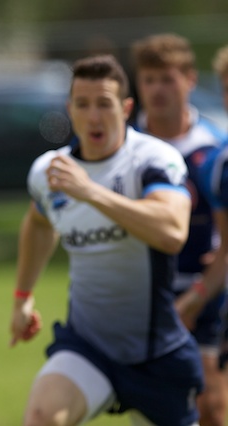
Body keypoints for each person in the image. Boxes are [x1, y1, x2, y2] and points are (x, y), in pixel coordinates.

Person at [9, 54, 203, 425]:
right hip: (88, 347)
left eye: (104, 104)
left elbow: (172, 232)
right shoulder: (50, 171)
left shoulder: (153, 159)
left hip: (156, 353)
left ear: (126, 108)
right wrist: (22, 296)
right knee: (42, 417)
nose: (93, 116)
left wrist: (91, 192)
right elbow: (38, 223)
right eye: (83, 104)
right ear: (70, 108)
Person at [131, 33, 228, 426]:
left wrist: (201, 292)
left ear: (190, 79)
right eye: (149, 79)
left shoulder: (215, 149)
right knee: (152, 406)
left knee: (211, 403)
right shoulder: (123, 143)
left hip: (205, 287)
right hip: (142, 291)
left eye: (167, 78)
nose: (157, 89)